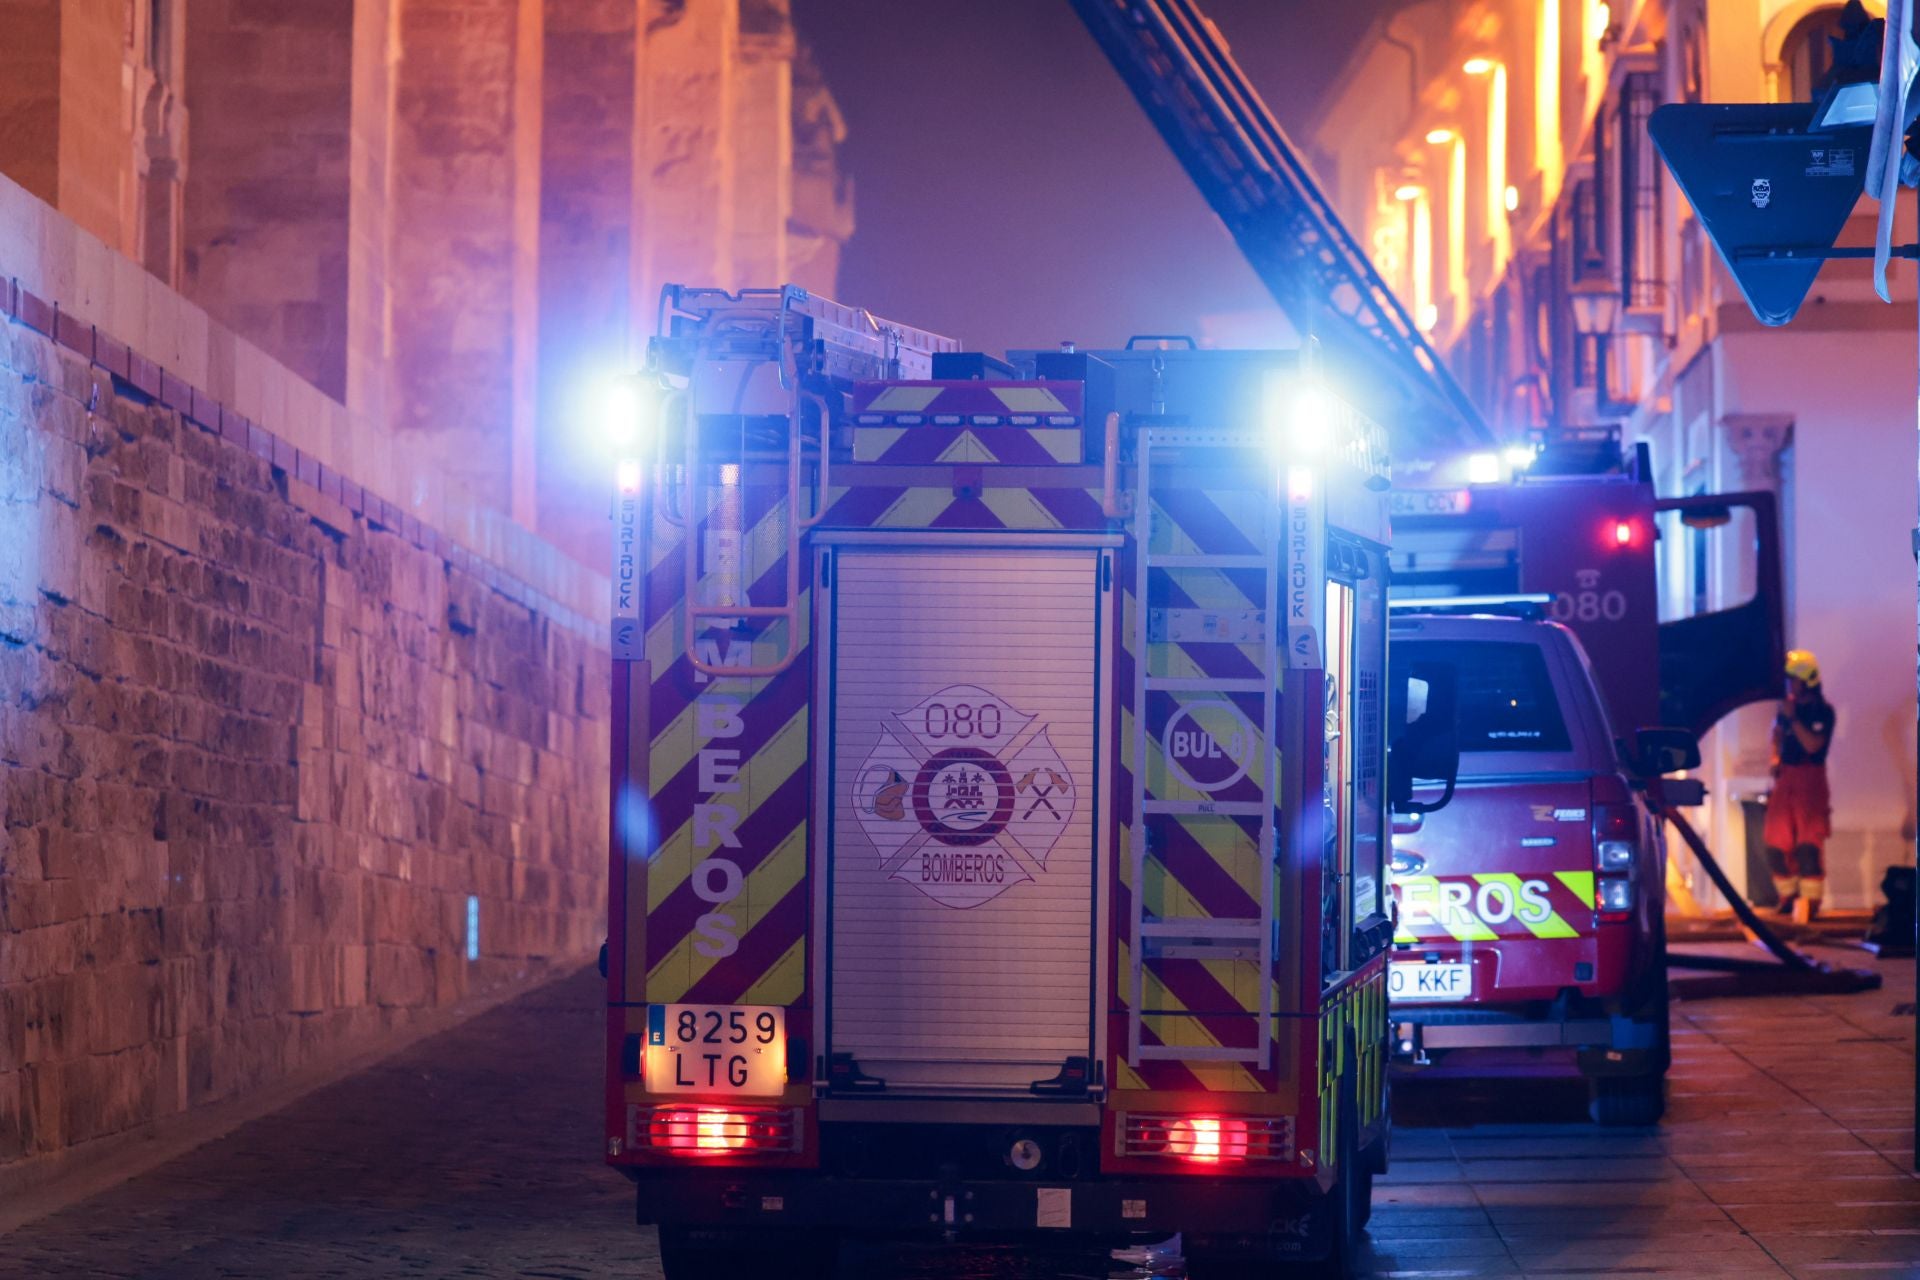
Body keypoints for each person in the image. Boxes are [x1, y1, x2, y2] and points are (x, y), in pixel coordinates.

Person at [1765, 649, 1835, 922]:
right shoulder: (1786, 708)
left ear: (1808, 680)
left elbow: (1813, 745)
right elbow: (1776, 733)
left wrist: (1793, 718)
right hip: (1786, 778)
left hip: (1811, 780)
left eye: (1793, 679)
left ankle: (1810, 904)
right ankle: (1788, 897)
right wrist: (1774, 756)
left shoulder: (1822, 712)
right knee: (1775, 839)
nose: (1789, 685)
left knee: (1808, 843)